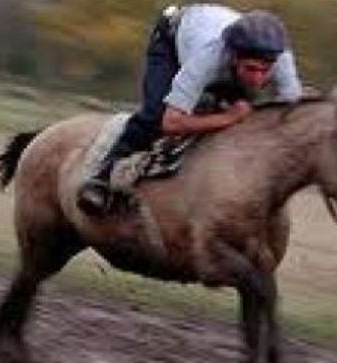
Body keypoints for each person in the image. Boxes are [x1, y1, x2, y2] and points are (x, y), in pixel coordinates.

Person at [77, 4, 303, 216]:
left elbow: (290, 116)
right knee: (154, 117)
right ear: (234, 58)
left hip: (213, 36)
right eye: (251, 69)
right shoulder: (207, 58)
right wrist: (228, 118)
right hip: (172, 40)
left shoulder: (281, 60)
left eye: (265, 71)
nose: (258, 79)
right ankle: (102, 176)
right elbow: (171, 122)